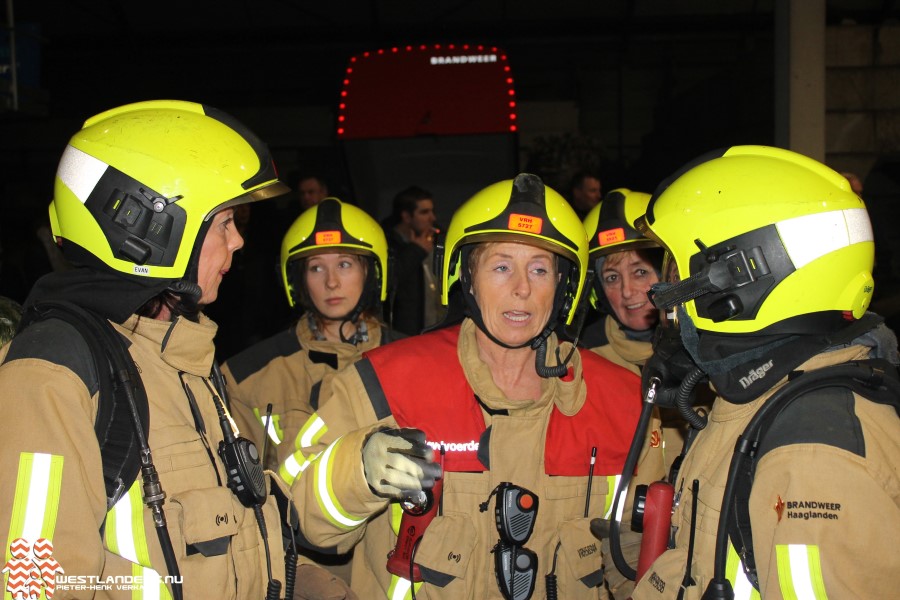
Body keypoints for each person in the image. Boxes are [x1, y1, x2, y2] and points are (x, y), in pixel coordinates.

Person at [285, 173, 654, 599]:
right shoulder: (382, 382)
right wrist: (357, 470)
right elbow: (296, 513)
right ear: (467, 277)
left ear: (564, 285)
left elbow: (636, 561)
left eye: (539, 269)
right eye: (501, 267)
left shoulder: (623, 400)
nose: (521, 289)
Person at [0, 100, 298, 599]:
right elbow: (36, 586)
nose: (239, 241)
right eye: (224, 222)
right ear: (151, 232)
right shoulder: (53, 374)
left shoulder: (187, 359)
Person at [629, 145, 900, 599]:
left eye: (674, 270)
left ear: (732, 284)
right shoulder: (759, 402)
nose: (663, 292)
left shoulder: (812, 457)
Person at [581, 188, 686, 482]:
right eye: (612, 278)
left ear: (669, 272)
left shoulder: (706, 353)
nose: (627, 291)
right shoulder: (580, 359)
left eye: (640, 272)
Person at [383, 185, 444, 335]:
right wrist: (416, 250)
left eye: (432, 211)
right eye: (424, 212)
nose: (432, 218)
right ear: (407, 217)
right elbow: (389, 279)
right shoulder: (388, 243)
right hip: (404, 333)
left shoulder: (435, 240)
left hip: (433, 329)